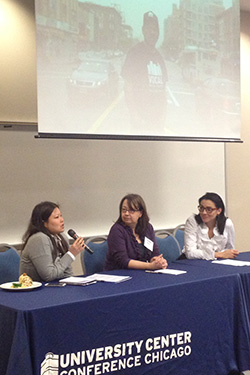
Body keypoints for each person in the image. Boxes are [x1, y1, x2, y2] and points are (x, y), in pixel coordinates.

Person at [121, 11, 168, 133]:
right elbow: (128, 87)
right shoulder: (135, 53)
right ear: (143, 30)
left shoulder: (160, 58)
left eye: (155, 30)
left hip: (157, 124)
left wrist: (162, 117)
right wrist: (134, 114)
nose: (153, 33)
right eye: (149, 29)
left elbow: (163, 91)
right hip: (140, 123)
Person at [20, 201, 85, 282]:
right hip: (37, 291)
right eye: (57, 217)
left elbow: (67, 273)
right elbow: (49, 276)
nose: (62, 220)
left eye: (61, 216)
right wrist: (71, 254)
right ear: (44, 223)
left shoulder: (62, 237)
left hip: (57, 287)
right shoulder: (39, 239)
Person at [104, 193, 168, 271]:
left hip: (142, 273)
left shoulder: (147, 228)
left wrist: (158, 261)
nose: (126, 214)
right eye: (124, 210)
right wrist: (150, 266)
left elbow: (155, 253)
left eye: (131, 211)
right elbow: (123, 261)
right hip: (119, 274)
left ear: (140, 213)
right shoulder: (117, 230)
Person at [182, 192, 238, 260]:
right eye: (201, 208)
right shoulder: (193, 221)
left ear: (219, 211)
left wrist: (224, 254)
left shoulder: (227, 223)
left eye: (209, 209)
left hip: (218, 261)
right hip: (192, 262)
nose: (204, 212)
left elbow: (230, 250)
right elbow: (190, 253)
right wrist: (217, 254)